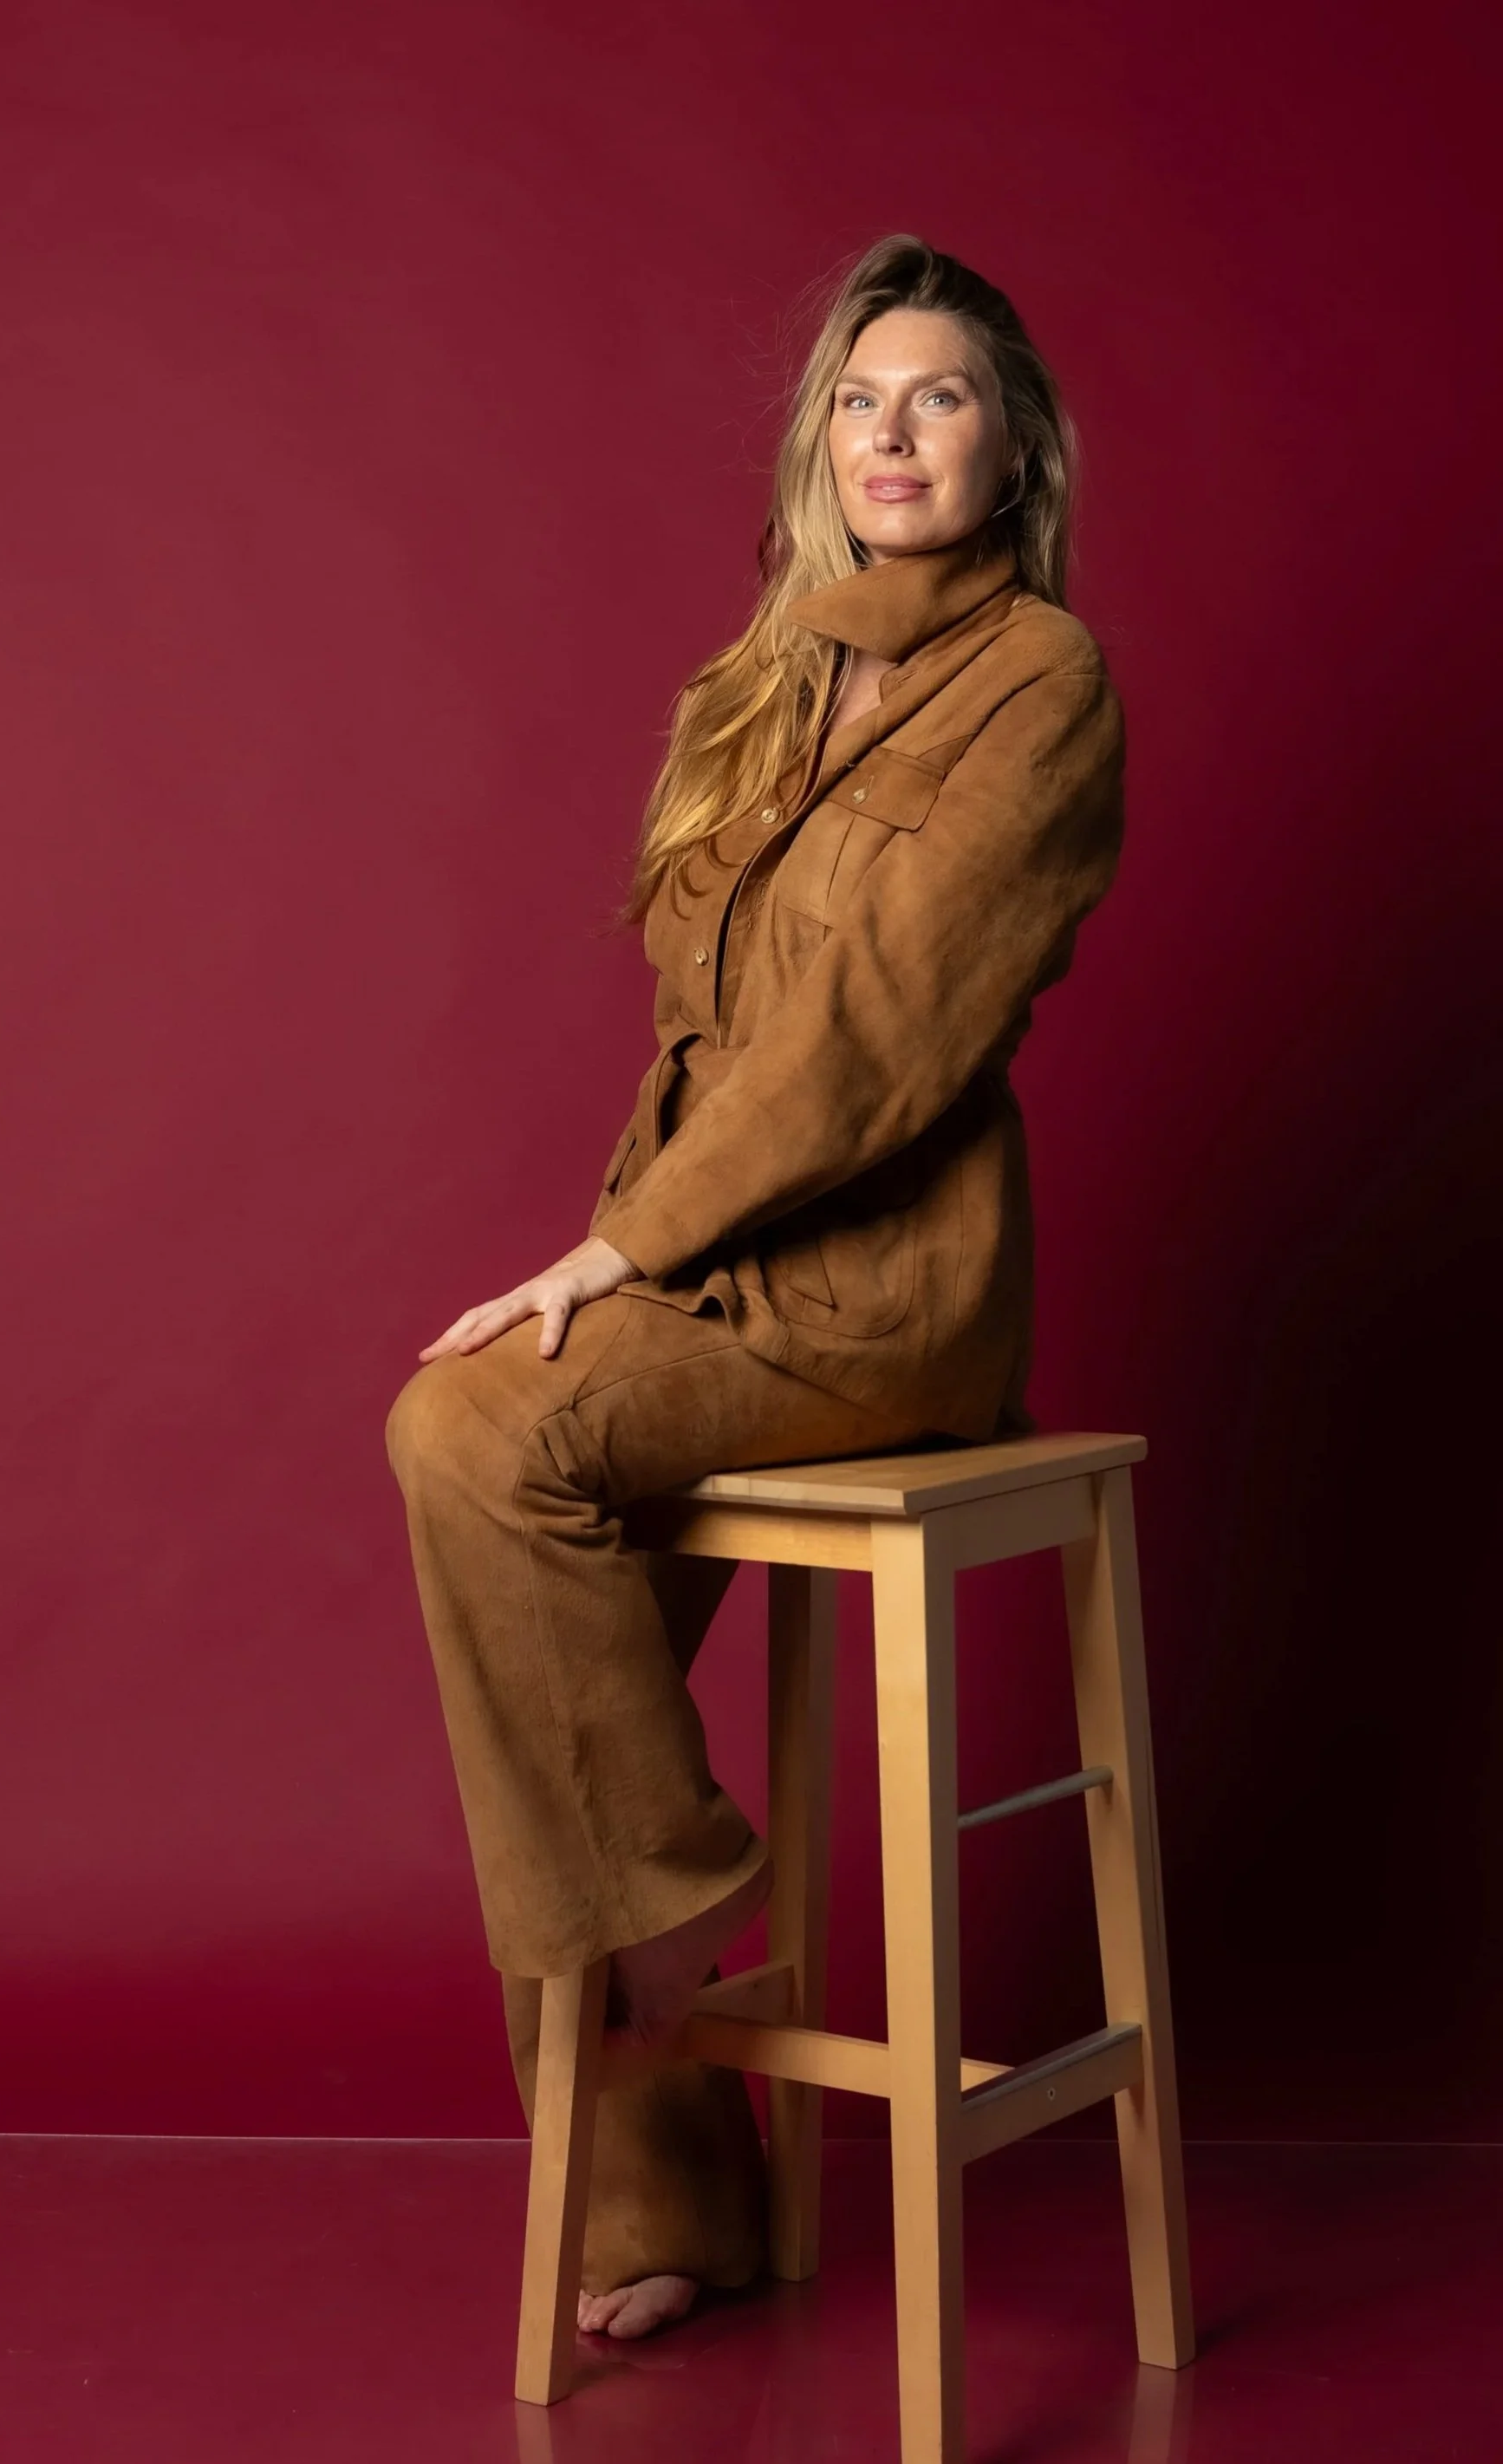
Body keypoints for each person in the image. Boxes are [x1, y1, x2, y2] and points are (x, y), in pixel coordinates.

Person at [385, 232, 1127, 2342]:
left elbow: (875, 1030)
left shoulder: (1044, 684)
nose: (893, 435)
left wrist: (614, 1252)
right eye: (858, 401)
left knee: (471, 1436)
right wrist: (620, 1252)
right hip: (702, 1263)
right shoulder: (770, 678)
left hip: (880, 1297)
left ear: (1012, 449)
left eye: (939, 398)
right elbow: (699, 1031)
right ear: (821, 446)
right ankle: (668, 2171)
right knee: (518, 1571)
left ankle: (673, 1953)